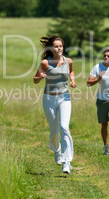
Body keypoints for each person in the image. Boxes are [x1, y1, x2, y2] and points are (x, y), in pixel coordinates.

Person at [33, 35, 77, 174]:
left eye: (61, 46)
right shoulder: (45, 63)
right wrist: (41, 76)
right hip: (49, 99)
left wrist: (72, 80)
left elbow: (71, 71)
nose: (59, 48)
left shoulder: (68, 61)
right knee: (54, 130)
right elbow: (35, 79)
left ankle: (67, 161)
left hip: (64, 98)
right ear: (51, 48)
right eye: (56, 46)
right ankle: (57, 151)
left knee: (64, 127)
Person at [87, 47, 109, 155]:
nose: (106, 58)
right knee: (104, 125)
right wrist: (98, 79)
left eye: (108, 56)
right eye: (104, 56)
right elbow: (88, 83)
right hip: (101, 100)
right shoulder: (97, 67)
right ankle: (106, 146)